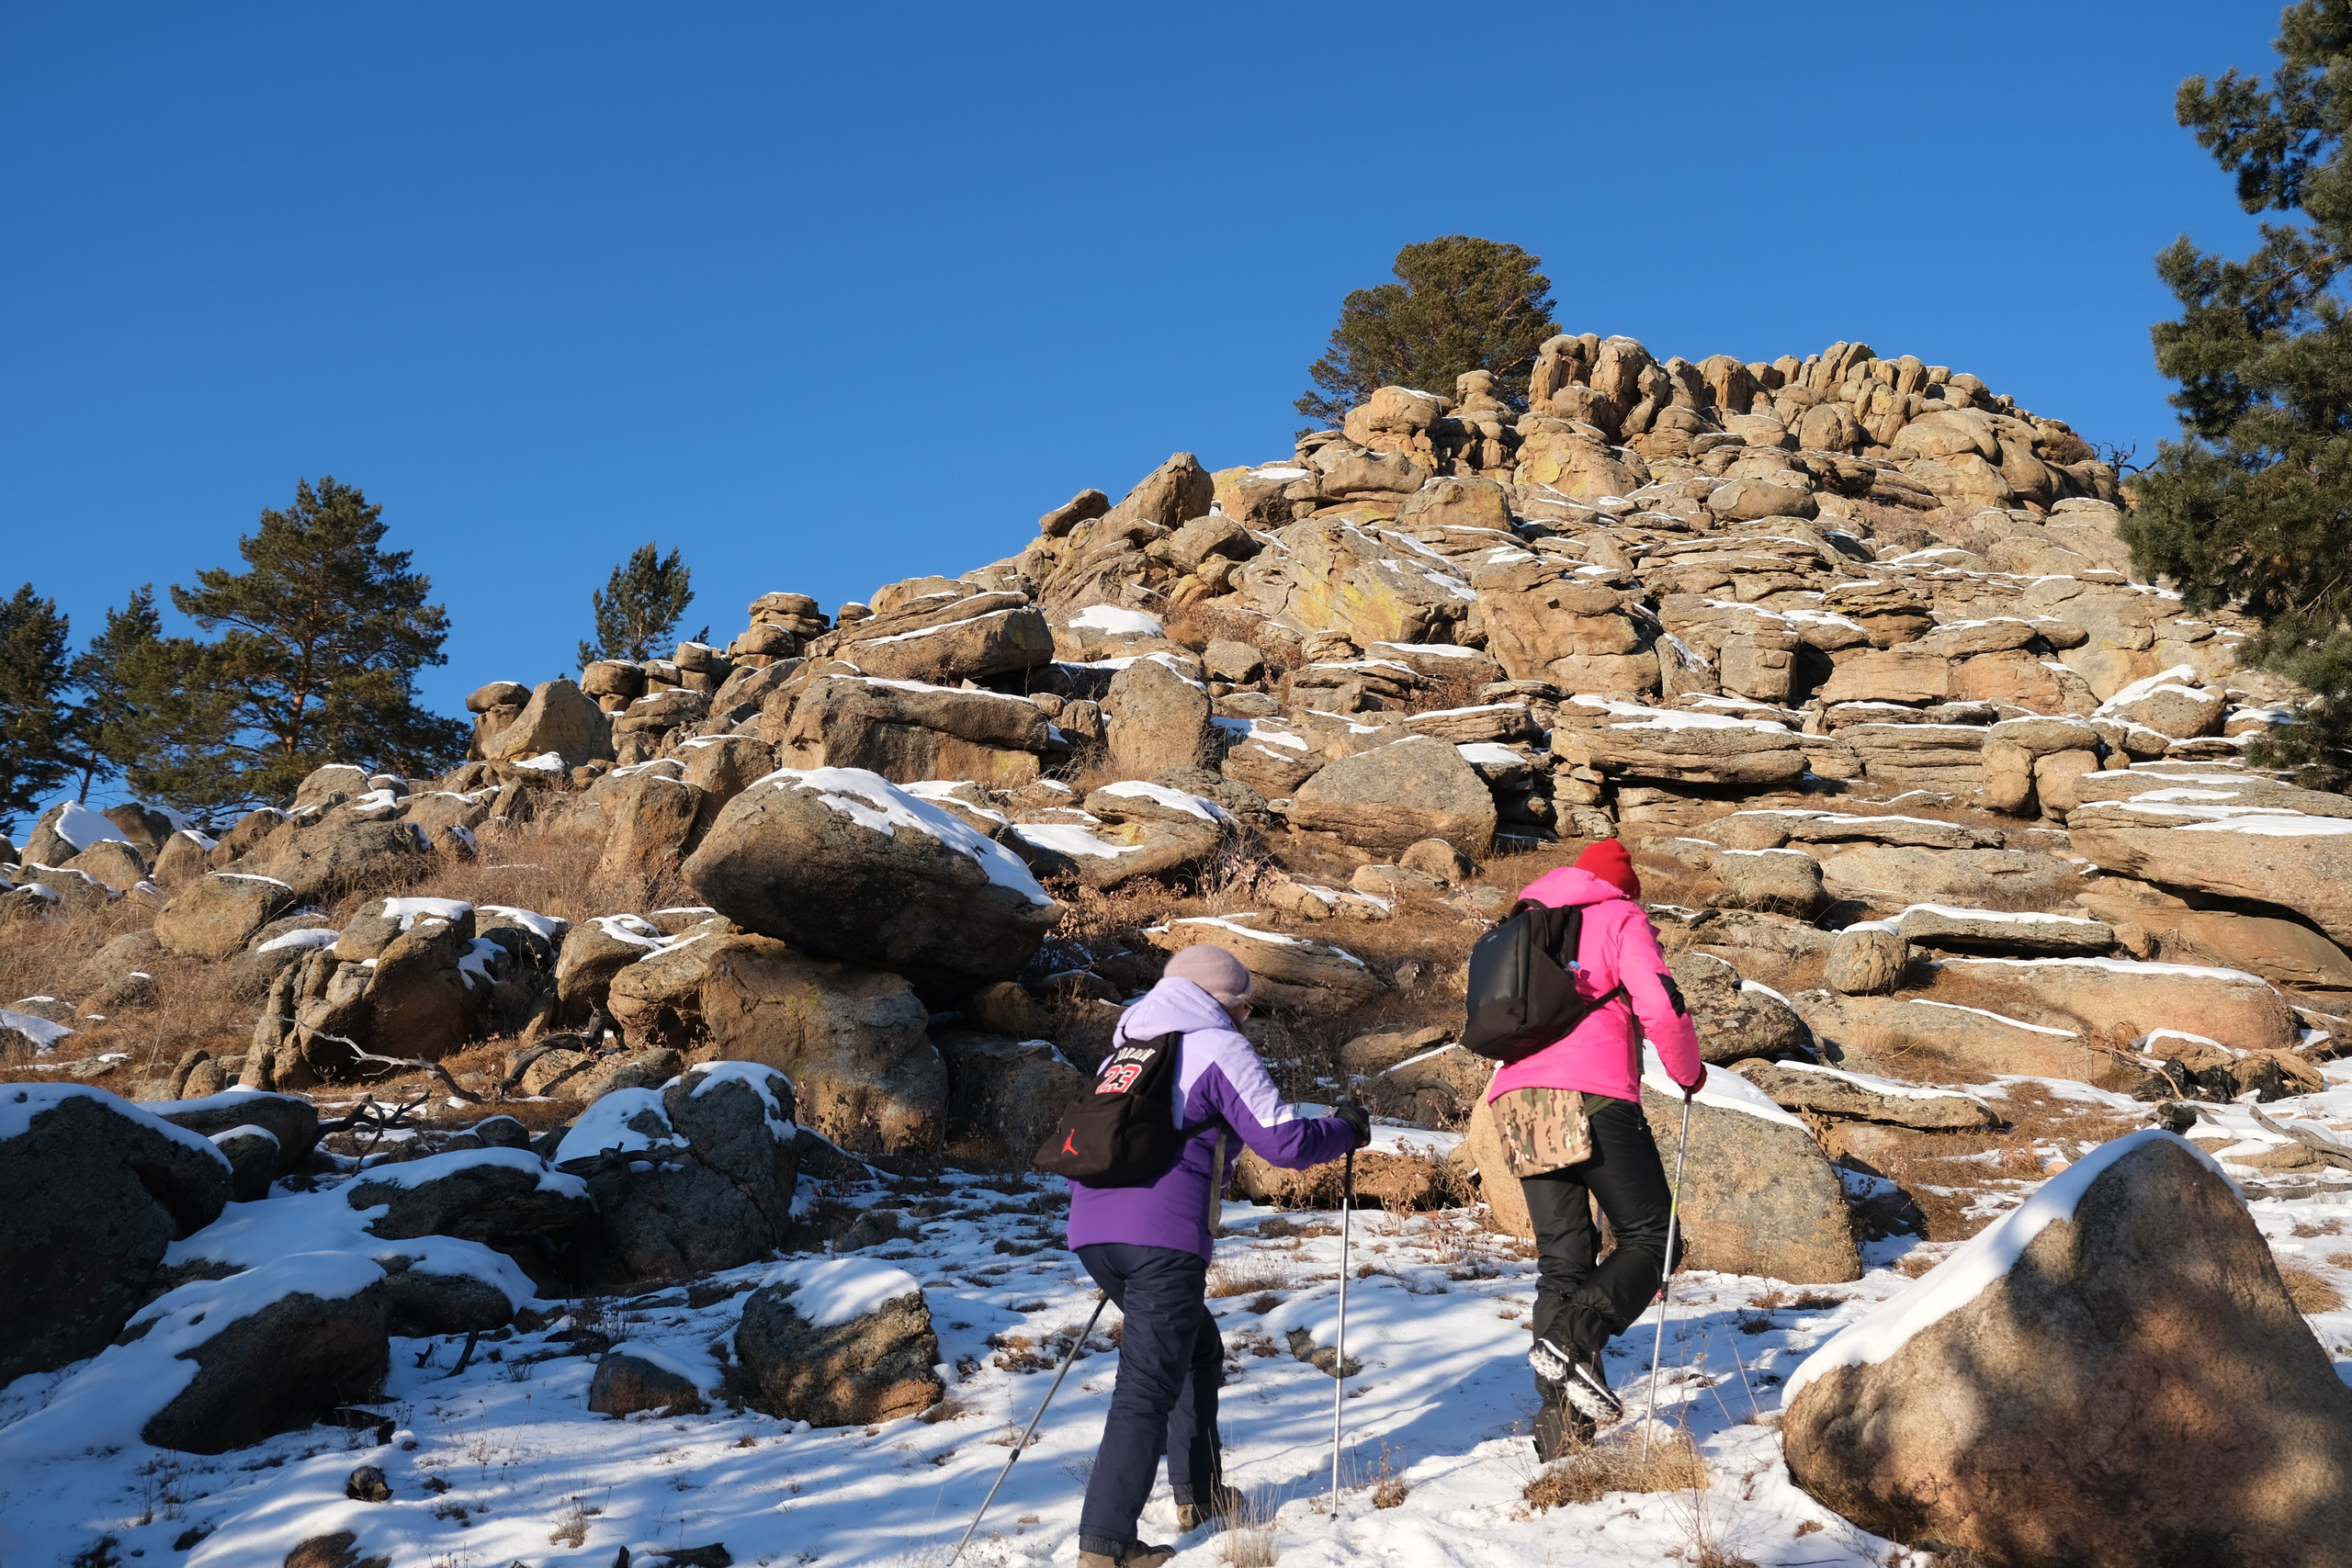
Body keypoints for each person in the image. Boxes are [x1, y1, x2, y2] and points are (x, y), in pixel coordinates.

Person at [1064, 943, 1366, 1568]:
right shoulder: (1216, 1044)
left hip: (1095, 1232)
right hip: (1161, 1240)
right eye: (1245, 1007)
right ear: (1224, 1002)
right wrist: (1346, 1128)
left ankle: (1199, 1494)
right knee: (1146, 1382)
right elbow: (1281, 1138)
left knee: (1195, 1346)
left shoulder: (1126, 1049)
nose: (1246, 1018)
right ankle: (1105, 1545)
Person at [1485, 838, 1707, 1460]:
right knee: (1655, 1238)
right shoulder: (1619, 915)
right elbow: (1660, 1003)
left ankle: (1563, 1436)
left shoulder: (1526, 920)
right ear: (1624, 886)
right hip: (1595, 1095)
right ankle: (1580, 1330)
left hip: (1518, 1098)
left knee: (1563, 1263)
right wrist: (1688, 1072)